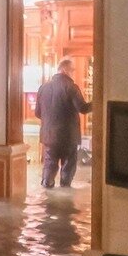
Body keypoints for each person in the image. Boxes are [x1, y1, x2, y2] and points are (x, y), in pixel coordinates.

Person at [34, 57, 91, 189]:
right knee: (68, 165)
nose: (73, 72)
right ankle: (65, 190)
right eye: (72, 70)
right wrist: (98, 102)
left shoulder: (43, 87)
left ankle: (47, 185)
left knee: (49, 162)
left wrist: (49, 118)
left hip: (49, 135)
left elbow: (37, 113)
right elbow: (82, 108)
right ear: (65, 69)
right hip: (68, 136)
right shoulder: (71, 87)